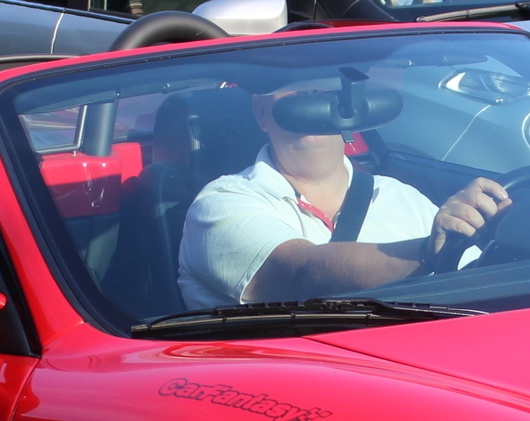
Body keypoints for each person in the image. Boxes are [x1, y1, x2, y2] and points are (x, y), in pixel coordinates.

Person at [176, 78, 508, 308]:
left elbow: (472, 279)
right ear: (261, 112)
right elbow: (300, 274)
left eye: (323, 90)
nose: (311, 99)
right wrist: (425, 252)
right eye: (293, 90)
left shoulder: (401, 196)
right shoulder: (221, 203)